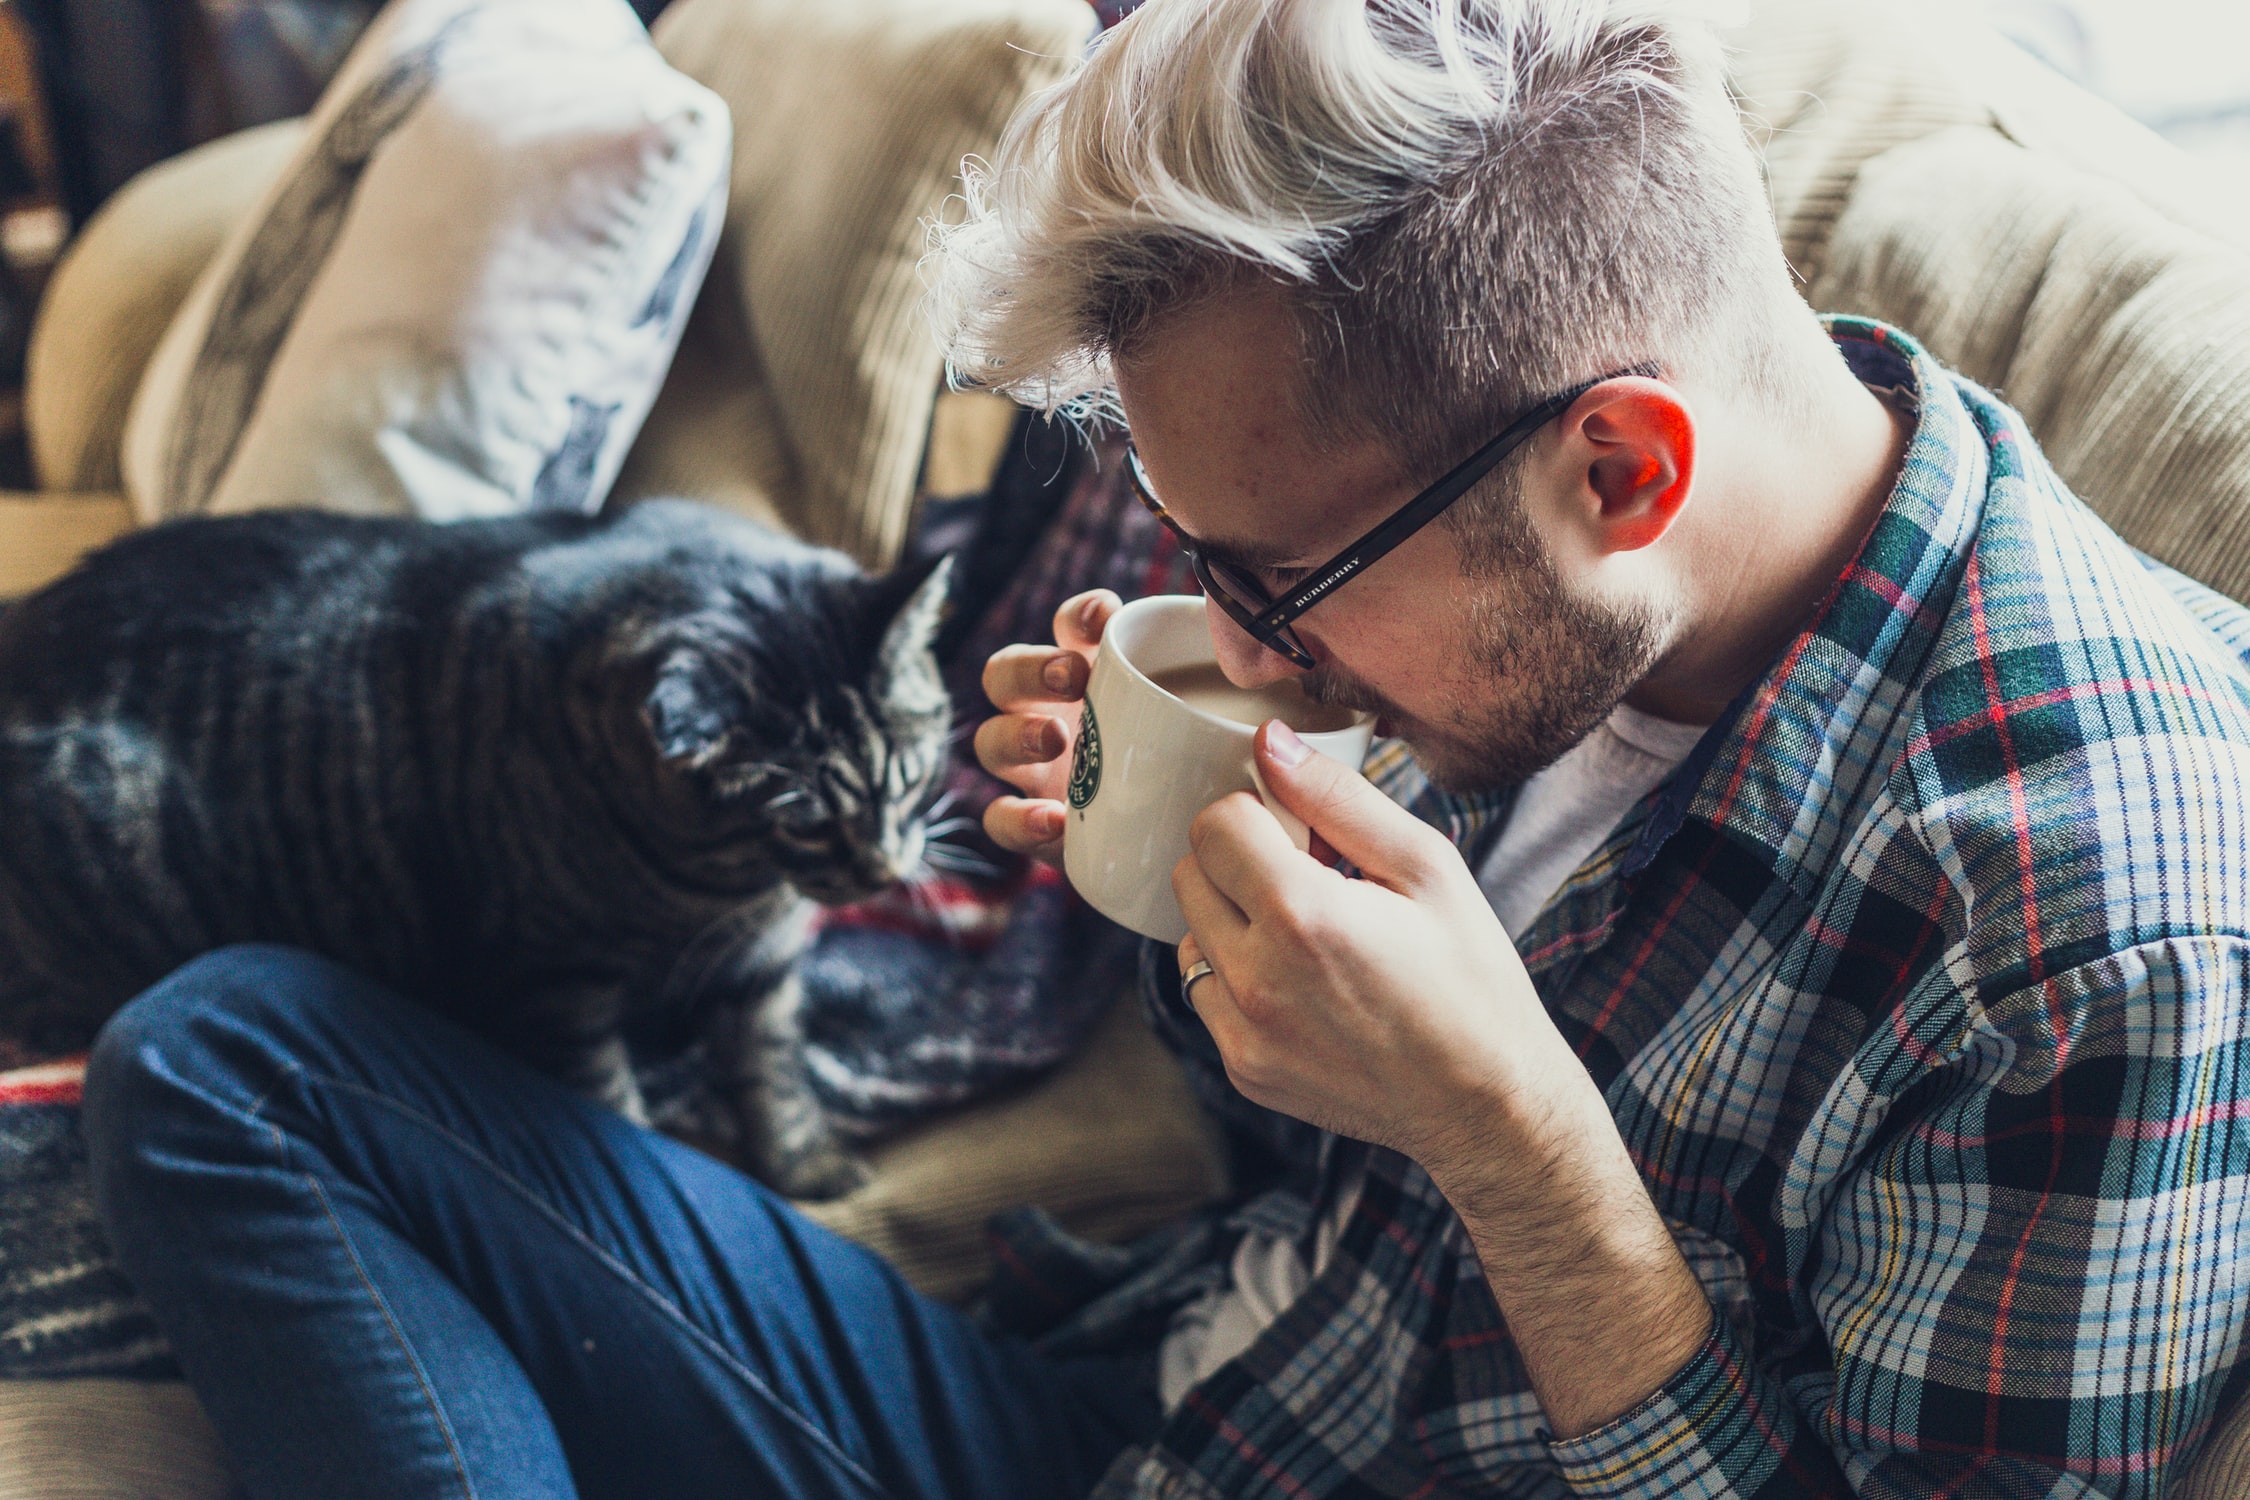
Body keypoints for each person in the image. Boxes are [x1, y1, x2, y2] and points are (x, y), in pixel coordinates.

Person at [82, 0, 2250, 1496]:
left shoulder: (2089, 935)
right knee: (225, 1058)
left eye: (1276, 583)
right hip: (1177, 1402)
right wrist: (1172, 884)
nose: (1244, 644)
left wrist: (1527, 1162)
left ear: (1620, 466)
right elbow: (1295, 1150)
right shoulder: (1545, 605)